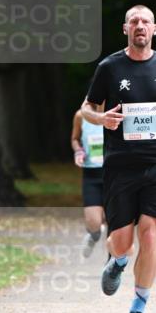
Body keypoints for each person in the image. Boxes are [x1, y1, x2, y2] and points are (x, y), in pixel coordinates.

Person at [81, 4, 156, 313]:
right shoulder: (109, 67)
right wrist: (101, 118)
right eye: (134, 21)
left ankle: (138, 307)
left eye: (145, 21)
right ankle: (117, 262)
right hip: (120, 163)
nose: (140, 26)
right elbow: (87, 108)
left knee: (150, 231)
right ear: (126, 29)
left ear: (154, 29)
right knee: (122, 240)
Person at [70, 108, 105, 258]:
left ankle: (113, 266)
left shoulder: (117, 113)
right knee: (93, 221)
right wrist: (78, 151)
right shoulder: (80, 115)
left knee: (117, 226)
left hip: (115, 173)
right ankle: (94, 235)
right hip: (92, 174)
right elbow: (75, 139)